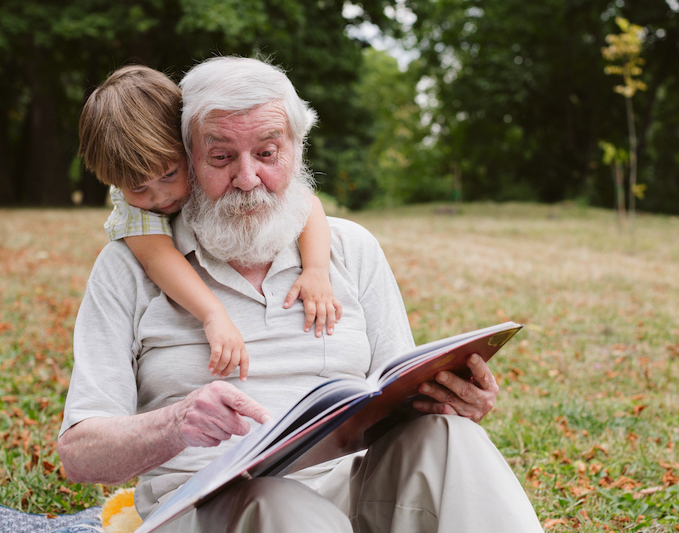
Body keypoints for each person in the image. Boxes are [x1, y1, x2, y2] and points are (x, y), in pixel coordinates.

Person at [58, 56, 543, 532]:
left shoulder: (349, 248)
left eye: (267, 154)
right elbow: (80, 455)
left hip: (345, 496)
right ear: (189, 154)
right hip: (209, 514)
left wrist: (450, 399)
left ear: (296, 149)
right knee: (272, 500)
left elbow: (400, 400)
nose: (248, 179)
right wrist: (177, 422)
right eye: (222, 156)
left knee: (449, 437)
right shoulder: (129, 265)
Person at [78, 65, 342, 380]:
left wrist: (315, 269)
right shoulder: (134, 212)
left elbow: (307, 204)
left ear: (186, 147)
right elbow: (159, 259)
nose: (160, 197)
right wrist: (213, 314)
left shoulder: (204, 157)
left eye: (169, 175)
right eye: (138, 188)